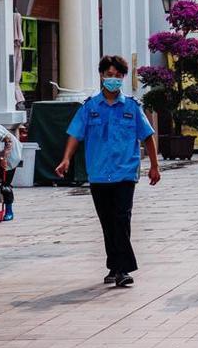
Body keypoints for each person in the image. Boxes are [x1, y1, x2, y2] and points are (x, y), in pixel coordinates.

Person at [55, 55, 160, 288]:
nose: (113, 79)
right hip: (99, 173)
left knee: (121, 218)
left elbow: (147, 136)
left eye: (117, 75)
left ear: (123, 77)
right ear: (101, 76)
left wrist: (154, 165)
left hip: (125, 173)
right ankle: (114, 265)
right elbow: (75, 135)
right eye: (108, 75)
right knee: (107, 221)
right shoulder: (90, 107)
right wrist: (66, 159)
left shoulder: (132, 107)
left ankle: (123, 269)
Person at [0, 122, 22, 221]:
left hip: (10, 154)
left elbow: (9, 141)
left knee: (5, 185)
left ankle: (9, 211)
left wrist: (4, 158)